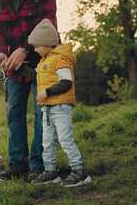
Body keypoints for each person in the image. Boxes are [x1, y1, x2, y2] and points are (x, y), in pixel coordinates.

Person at [0, 0, 58, 180]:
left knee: (41, 113)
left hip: (43, 61)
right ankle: (18, 167)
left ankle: (39, 166)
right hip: (13, 67)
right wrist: (0, 52)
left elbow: (48, 26)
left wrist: (24, 49)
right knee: (14, 113)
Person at [27, 19, 92, 187]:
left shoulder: (61, 60)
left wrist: (46, 92)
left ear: (47, 43)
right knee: (47, 142)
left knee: (65, 140)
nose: (34, 50)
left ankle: (79, 172)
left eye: (36, 46)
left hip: (61, 107)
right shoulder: (44, 61)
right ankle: (50, 172)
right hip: (47, 109)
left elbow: (66, 82)